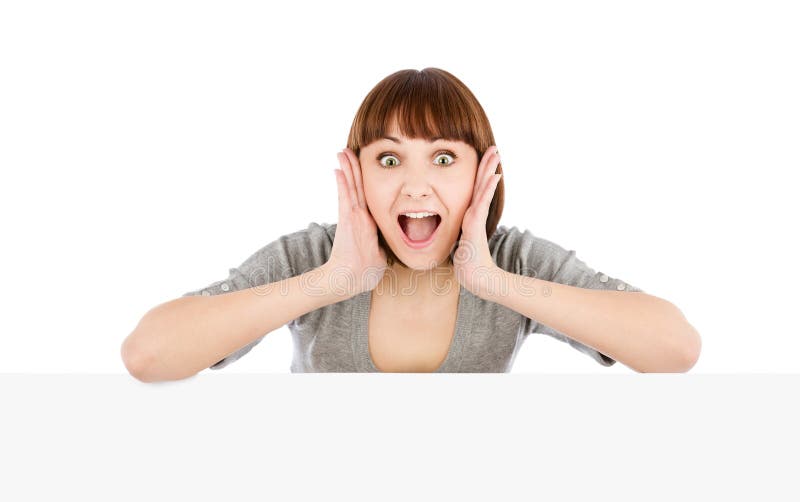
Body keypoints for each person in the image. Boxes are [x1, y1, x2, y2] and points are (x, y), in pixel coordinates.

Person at [121, 67, 701, 381]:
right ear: (358, 174)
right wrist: (333, 280)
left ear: (484, 173)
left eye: (444, 158)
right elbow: (148, 355)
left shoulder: (514, 261)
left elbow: (675, 348)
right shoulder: (315, 257)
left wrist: (496, 284)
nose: (416, 185)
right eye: (390, 159)